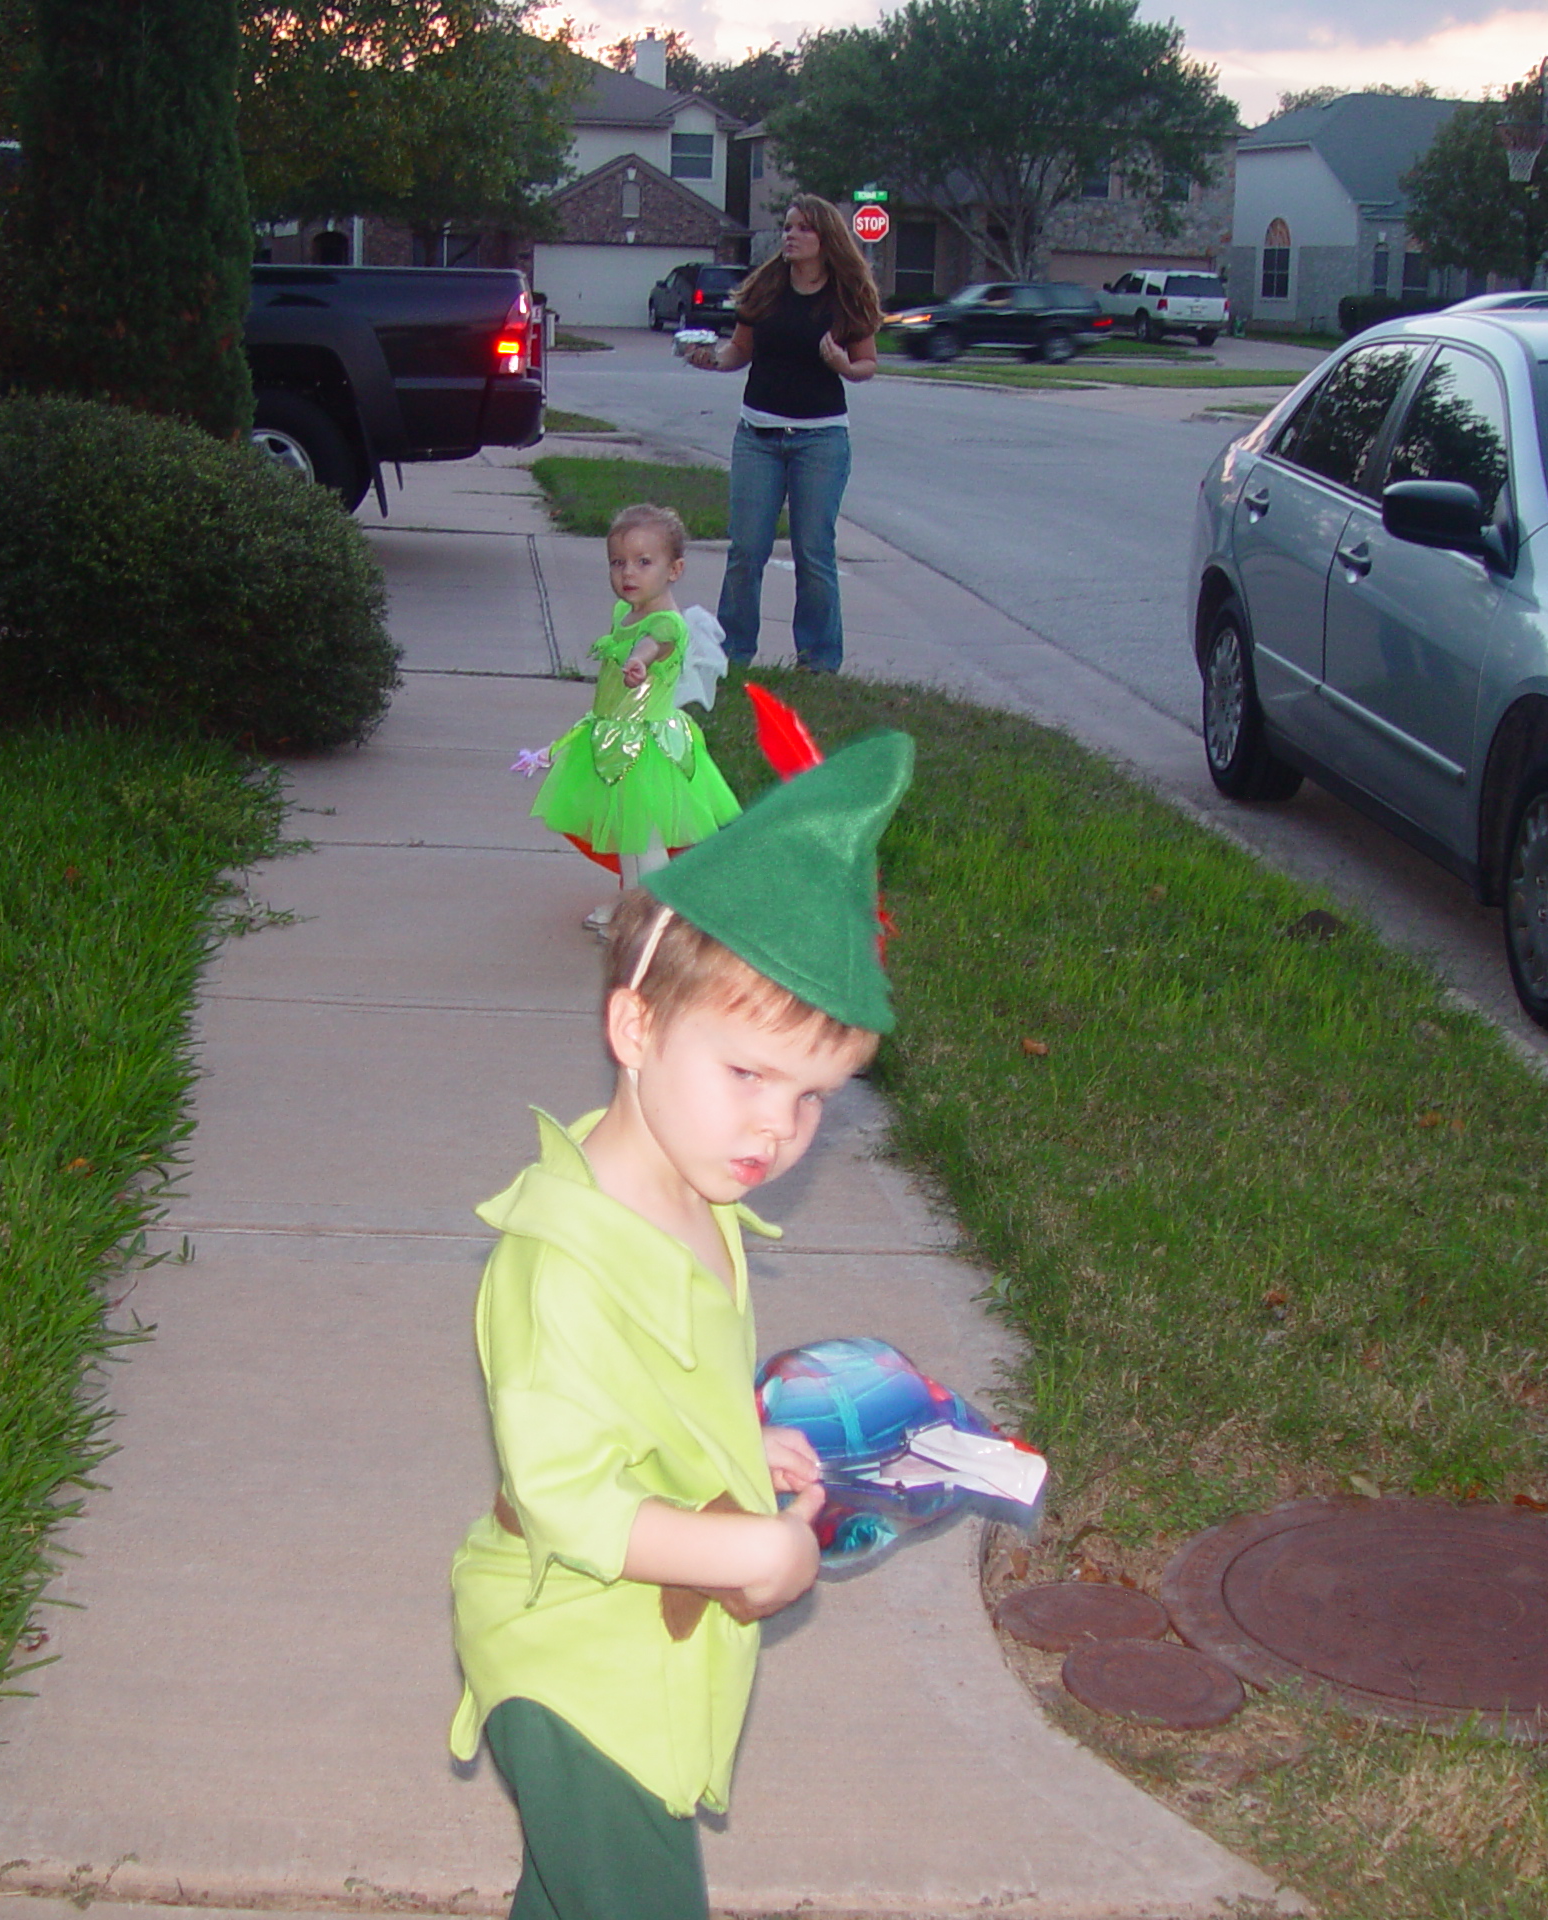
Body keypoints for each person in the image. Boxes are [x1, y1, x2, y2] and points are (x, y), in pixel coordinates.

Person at [450, 732, 917, 1920]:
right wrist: (754, 1551)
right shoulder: (560, 1259)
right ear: (635, 1029)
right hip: (574, 1668)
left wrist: (726, 1451)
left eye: (814, 1096)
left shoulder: (699, 1196)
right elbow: (567, 1496)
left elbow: (641, 1398)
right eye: (750, 1074)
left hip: (637, 1654)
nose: (777, 1130)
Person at [685, 196, 882, 675]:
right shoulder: (766, 289)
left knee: (813, 550)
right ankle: (733, 654)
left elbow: (867, 364)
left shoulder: (846, 295)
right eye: (788, 226)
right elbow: (739, 351)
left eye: (802, 229)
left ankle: (818, 660)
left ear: (824, 239)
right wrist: (712, 360)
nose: (790, 235)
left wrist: (842, 365)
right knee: (746, 548)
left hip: (820, 440)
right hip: (758, 435)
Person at [531, 503, 741, 929]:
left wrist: (639, 663)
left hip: (646, 748)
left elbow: (653, 643)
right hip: (613, 741)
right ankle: (632, 902)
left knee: (646, 839)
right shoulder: (623, 614)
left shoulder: (666, 624)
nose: (628, 574)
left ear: (674, 569)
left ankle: (661, 916)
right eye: (618, 563)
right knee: (628, 836)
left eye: (644, 563)